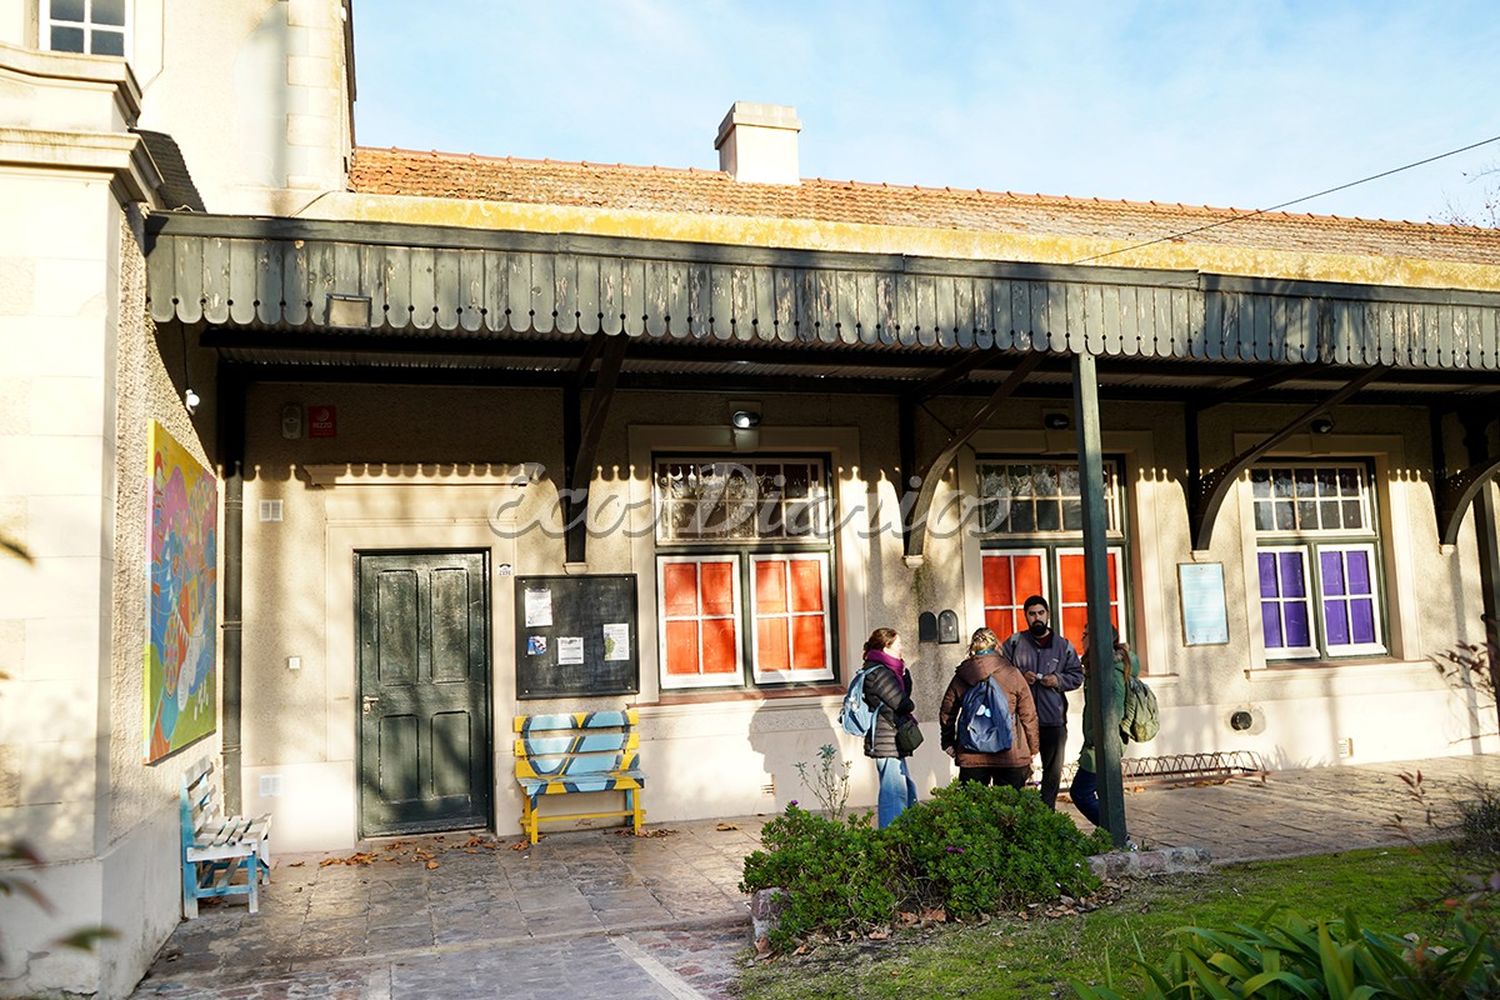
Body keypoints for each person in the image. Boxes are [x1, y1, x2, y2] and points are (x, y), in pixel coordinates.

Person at [1001, 596, 1083, 809]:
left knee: (1052, 771)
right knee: (1016, 770)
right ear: (1026, 616)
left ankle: (1047, 813)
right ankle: (1016, 813)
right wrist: (1020, 677)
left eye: (1040, 613)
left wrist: (1058, 680)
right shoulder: (1014, 643)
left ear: (1047, 615)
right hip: (1021, 721)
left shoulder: (1063, 645)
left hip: (1053, 720)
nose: (1036, 618)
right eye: (1032, 614)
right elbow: (999, 672)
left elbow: (1077, 675)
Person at [938, 627, 1040, 789]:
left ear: (972, 648)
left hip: (971, 754)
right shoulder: (1012, 673)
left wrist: (948, 742)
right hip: (1010, 753)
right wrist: (1033, 747)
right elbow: (1029, 714)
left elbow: (947, 712)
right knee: (1010, 810)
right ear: (996, 646)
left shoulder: (962, 675)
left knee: (973, 809)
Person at [1069, 623, 1139, 829]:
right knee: (1102, 793)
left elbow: (1114, 708)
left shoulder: (1111, 670)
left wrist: (1095, 736)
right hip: (1099, 741)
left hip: (1103, 742)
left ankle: (1117, 832)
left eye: (1086, 634)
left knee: (1081, 792)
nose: (1082, 638)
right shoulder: (1097, 666)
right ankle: (1113, 835)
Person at [859, 627, 919, 828]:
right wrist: (907, 700)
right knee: (893, 792)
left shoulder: (888, 670)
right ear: (887, 646)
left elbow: (901, 698)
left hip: (892, 737)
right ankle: (892, 836)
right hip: (887, 739)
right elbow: (902, 703)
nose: (902, 647)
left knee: (904, 787)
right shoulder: (879, 673)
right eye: (898, 643)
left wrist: (904, 676)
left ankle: (906, 830)